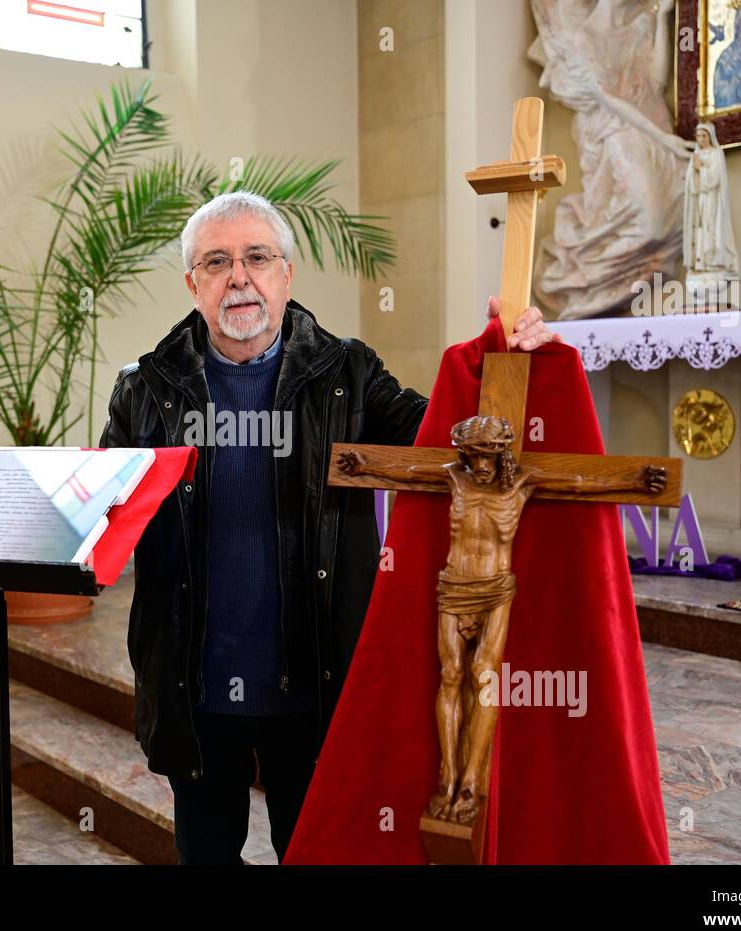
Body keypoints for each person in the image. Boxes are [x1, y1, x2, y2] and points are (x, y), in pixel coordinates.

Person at [98, 190, 556, 864]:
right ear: (193, 283)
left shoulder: (345, 371)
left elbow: (449, 438)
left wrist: (507, 361)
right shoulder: (146, 387)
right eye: (217, 262)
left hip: (314, 676)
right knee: (205, 856)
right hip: (193, 684)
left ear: (287, 272)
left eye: (257, 257)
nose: (240, 277)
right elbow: (109, 511)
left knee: (316, 855)